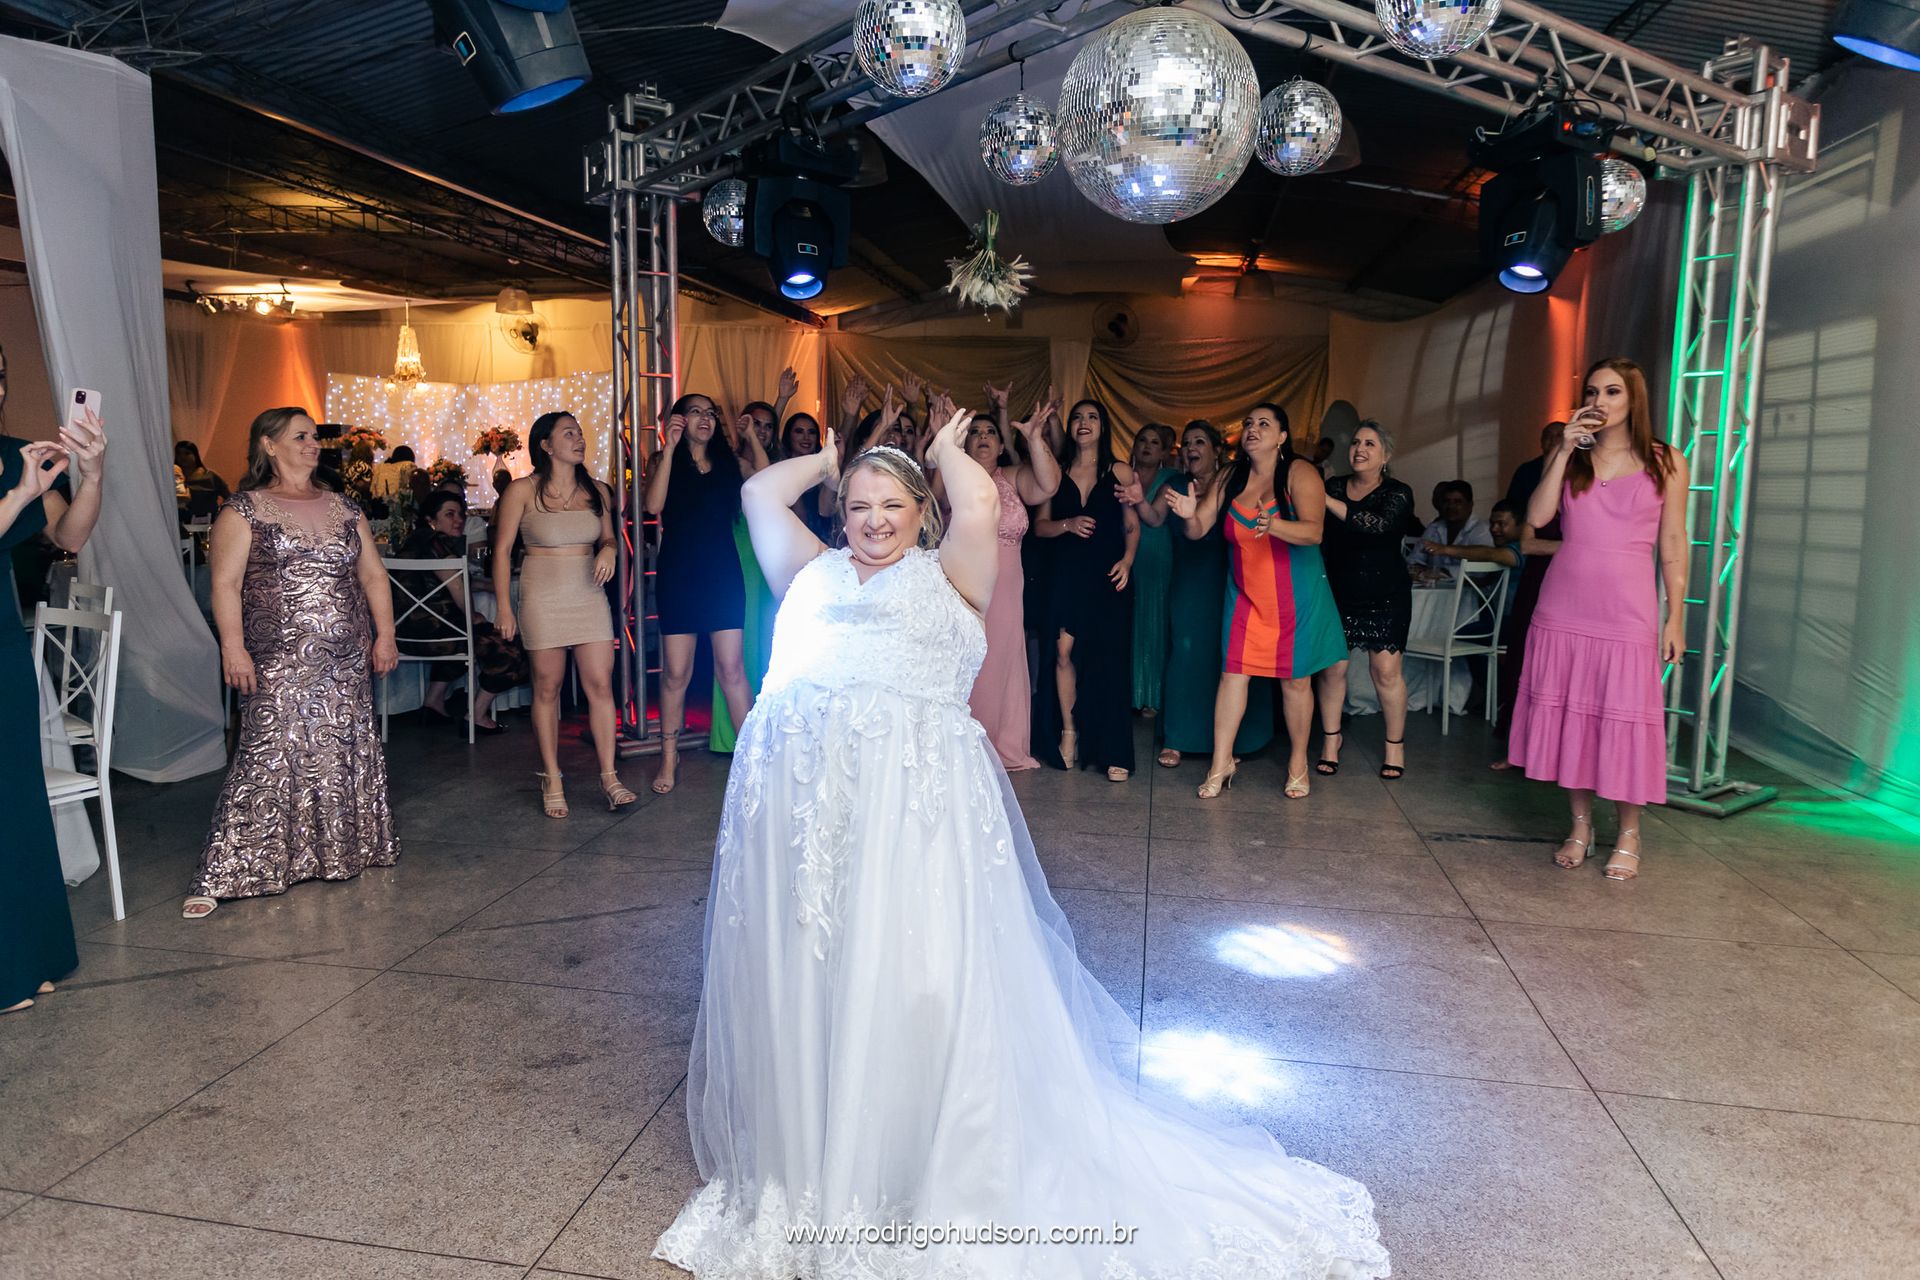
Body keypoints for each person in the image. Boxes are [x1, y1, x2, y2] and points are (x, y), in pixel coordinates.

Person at [653, 405, 1389, 1280]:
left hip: (912, 825)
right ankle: (824, 1148)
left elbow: (974, 502)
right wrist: (827, 459)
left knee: (912, 977)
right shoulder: (810, 570)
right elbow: (755, 495)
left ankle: (910, 1160)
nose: (875, 521)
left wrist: (940, 451)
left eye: (893, 506)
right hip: (813, 826)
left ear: (922, 512)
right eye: (859, 507)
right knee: (819, 972)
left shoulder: (955, 574)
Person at [182, 407, 400, 920]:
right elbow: (225, 584)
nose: (312, 444)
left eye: (314, 436)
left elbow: (373, 576)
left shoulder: (345, 507)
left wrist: (386, 635)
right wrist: (232, 647)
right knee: (266, 755)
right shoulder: (244, 510)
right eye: (300, 436)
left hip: (346, 657)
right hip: (277, 656)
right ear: (269, 444)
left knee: (341, 748)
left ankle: (336, 853)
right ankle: (226, 869)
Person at [1510, 357, 1686, 882]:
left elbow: (1673, 543)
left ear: (1634, 399)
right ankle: (1581, 826)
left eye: (1612, 392)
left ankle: (1629, 832)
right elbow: (1537, 518)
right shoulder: (1573, 457)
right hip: (1564, 605)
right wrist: (1564, 449)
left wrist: (1676, 618)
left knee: (1625, 720)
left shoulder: (1666, 461)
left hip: (1628, 610)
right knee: (1574, 719)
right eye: (1592, 391)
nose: (1599, 401)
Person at [1167, 402, 1346, 799]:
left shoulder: (1299, 472)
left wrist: (1275, 525)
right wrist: (1187, 514)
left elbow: (1314, 531)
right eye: (1249, 423)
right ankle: (1221, 763)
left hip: (1295, 595)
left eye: (1264, 424)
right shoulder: (1230, 476)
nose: (1253, 428)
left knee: (1295, 681)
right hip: (1245, 595)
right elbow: (1199, 529)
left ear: (1282, 436)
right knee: (1233, 675)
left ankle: (1298, 762)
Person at [1, 400, 105, 1012]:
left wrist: (91, 475)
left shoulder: (13, 454)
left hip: (1, 645)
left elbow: (69, 537)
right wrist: (19, 494)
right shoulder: (17, 473)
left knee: (16, 801)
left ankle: (31, 956)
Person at [493, 411, 636, 817]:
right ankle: (551, 777)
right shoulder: (521, 490)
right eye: (568, 433)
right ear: (546, 445)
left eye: (580, 433)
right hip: (542, 597)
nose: (579, 439)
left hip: (588, 595)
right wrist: (504, 607)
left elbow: (609, 537)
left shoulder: (598, 491)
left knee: (601, 685)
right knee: (547, 688)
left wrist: (609, 549)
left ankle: (609, 777)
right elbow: (502, 552)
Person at [642, 392, 768, 793]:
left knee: (731, 669)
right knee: (676, 672)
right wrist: (669, 447)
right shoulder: (664, 462)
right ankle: (668, 757)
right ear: (678, 420)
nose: (705, 418)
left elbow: (767, 483)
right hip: (679, 574)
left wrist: (752, 438)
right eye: (695, 411)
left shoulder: (731, 464)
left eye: (711, 413)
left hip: (723, 574)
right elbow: (653, 505)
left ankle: (750, 761)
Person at [937, 390, 1060, 771]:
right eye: (975, 432)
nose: (984, 437)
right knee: (968, 657)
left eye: (991, 431)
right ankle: (964, 744)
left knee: (1001, 655)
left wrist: (1034, 438)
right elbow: (933, 498)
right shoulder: (953, 476)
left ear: (1000, 444)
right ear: (965, 441)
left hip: (1007, 586)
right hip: (962, 581)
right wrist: (945, 441)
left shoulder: (1011, 477)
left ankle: (1000, 743)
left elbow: (1049, 485)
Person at [1148, 421, 1271, 768]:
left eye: (1199, 442)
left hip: (1231, 577)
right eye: (1187, 443)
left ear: (1217, 450)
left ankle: (1233, 741)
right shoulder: (1175, 485)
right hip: (1189, 580)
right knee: (1186, 654)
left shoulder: (1235, 483)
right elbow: (1156, 520)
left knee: (1231, 657)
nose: (1191, 448)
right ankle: (1178, 737)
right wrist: (1134, 497)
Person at [1032, 399, 1138, 781]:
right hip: (1066, 574)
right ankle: (1069, 732)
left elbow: (1132, 524)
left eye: (1092, 417)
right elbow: (1040, 526)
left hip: (1108, 574)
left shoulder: (1119, 470)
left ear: (1103, 426)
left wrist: (1128, 561)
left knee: (1107, 660)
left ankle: (1113, 750)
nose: (1083, 422)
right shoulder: (1055, 472)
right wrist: (1068, 524)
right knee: (1063, 653)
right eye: (1077, 417)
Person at [1320, 421, 1416, 781]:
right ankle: (1331, 740)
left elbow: (1377, 526)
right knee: (1333, 669)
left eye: (1370, 444)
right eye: (1356, 442)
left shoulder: (1398, 492)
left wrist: (1325, 501)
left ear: (1385, 454)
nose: (1360, 449)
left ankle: (1395, 746)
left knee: (1385, 673)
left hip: (1386, 594)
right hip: (1338, 591)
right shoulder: (1333, 486)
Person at [713, 369, 800, 753]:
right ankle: (732, 734)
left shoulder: (776, 462)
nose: (761, 431)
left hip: (771, 555)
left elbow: (768, 479)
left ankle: (770, 731)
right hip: (738, 554)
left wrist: (779, 403)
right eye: (755, 424)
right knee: (738, 643)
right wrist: (749, 435)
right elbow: (760, 482)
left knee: (769, 638)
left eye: (768, 427)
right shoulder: (729, 461)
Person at [396, 491, 528, 734]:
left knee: (469, 641)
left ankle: (433, 703)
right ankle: (477, 715)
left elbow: (438, 582)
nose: (458, 520)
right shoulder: (438, 545)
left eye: (460, 514)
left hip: (406, 635)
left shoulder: (412, 543)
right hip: (441, 636)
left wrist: (486, 586)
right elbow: (457, 586)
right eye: (450, 514)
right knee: (512, 650)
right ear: (431, 519)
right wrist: (472, 616)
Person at [1124, 422, 1180, 717]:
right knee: (1127, 620)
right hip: (1123, 553)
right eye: (1142, 440)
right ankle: (1127, 692)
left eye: (1154, 442)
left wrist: (1137, 499)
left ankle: (1151, 696)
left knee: (1154, 620)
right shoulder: (1121, 474)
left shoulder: (1170, 479)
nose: (1147, 446)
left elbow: (1156, 518)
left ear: (1164, 452)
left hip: (1156, 555)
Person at [1407, 480, 1491, 580]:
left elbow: (1482, 571)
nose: (1451, 506)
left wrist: (1442, 572)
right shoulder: (1434, 528)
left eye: (1457, 502)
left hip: (1471, 589)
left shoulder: (1482, 530)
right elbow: (1414, 560)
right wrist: (1419, 570)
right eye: (1446, 501)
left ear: (1470, 505)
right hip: (1433, 588)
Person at [173, 440, 229, 518]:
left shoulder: (209, 476)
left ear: (195, 455)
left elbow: (228, 498)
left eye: (187, 453)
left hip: (207, 520)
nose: (182, 457)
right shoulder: (172, 477)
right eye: (178, 453)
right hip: (178, 520)